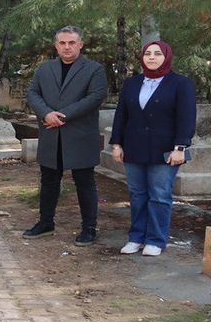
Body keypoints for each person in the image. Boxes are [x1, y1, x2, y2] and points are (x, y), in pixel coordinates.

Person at [110, 41, 195, 256]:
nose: (152, 57)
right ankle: (136, 237)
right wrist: (117, 144)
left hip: (165, 150)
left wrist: (180, 147)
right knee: (137, 194)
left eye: (157, 53)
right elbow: (122, 115)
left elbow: (186, 117)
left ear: (166, 57)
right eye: (148, 53)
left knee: (159, 195)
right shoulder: (132, 83)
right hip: (134, 148)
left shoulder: (180, 83)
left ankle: (155, 240)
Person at [24, 25, 107, 246]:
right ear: (56, 45)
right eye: (62, 43)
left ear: (80, 44)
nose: (67, 47)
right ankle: (45, 223)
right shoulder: (45, 69)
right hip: (51, 135)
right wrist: (45, 113)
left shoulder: (94, 69)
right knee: (49, 181)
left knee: (84, 182)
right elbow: (32, 93)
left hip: (79, 135)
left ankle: (89, 228)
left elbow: (95, 97)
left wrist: (62, 115)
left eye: (72, 43)